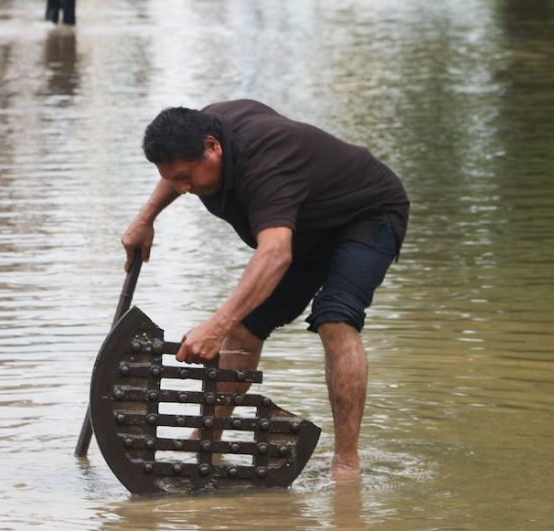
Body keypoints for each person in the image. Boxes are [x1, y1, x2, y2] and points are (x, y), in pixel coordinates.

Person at [121, 99, 409, 481]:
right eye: (175, 179)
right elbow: (177, 170)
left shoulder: (268, 164)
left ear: (213, 147)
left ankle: (345, 463)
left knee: (335, 318)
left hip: (367, 215)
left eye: (187, 177)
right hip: (305, 229)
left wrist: (216, 326)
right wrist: (145, 219)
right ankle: (207, 440)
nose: (184, 189)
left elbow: (274, 253)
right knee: (243, 329)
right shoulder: (196, 130)